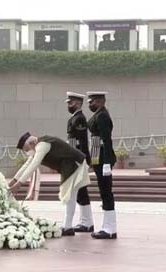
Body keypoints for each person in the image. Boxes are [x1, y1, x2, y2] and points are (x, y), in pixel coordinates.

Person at [9, 133, 91, 236]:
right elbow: (27, 165)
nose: (27, 152)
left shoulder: (42, 145)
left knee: (69, 196)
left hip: (74, 165)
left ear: (32, 143)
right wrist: (13, 181)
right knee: (79, 195)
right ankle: (88, 223)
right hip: (70, 165)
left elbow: (34, 164)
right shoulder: (36, 148)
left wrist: (19, 184)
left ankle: (68, 227)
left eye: (26, 149)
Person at [87, 91, 117, 239]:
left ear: (100, 101)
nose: (90, 105)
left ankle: (110, 228)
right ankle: (107, 226)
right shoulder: (99, 114)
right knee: (103, 191)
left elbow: (106, 140)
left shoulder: (102, 116)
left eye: (92, 102)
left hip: (103, 157)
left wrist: (106, 162)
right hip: (98, 157)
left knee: (106, 192)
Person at [65, 92, 94, 233]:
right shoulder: (74, 118)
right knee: (81, 191)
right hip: (75, 158)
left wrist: (82, 160)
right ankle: (87, 222)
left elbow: (82, 142)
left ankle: (86, 222)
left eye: (70, 103)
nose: (68, 106)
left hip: (78, 159)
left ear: (77, 103)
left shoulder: (79, 119)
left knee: (77, 191)